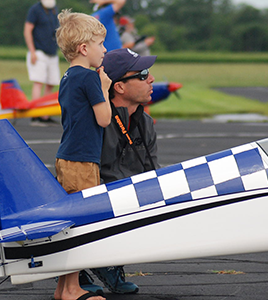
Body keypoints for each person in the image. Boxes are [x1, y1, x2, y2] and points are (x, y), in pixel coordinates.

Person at [82, 48, 159, 295]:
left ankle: (110, 261)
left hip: (127, 195)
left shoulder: (145, 121)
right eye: (143, 74)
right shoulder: (94, 121)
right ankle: (77, 268)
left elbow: (152, 169)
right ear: (120, 87)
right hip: (93, 197)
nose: (151, 79)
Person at [53, 9, 110, 300]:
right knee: (81, 223)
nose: (105, 49)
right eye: (101, 44)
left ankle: (64, 287)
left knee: (69, 222)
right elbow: (104, 119)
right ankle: (72, 289)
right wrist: (105, 89)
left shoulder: (67, 77)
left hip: (66, 156)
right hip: (83, 160)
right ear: (84, 48)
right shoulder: (89, 79)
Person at [24, 0, 61, 126]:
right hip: (39, 52)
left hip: (52, 52)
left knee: (51, 83)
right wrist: (32, 51)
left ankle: (45, 115)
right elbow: (27, 30)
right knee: (38, 82)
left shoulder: (54, 9)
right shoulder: (35, 9)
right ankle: (36, 115)